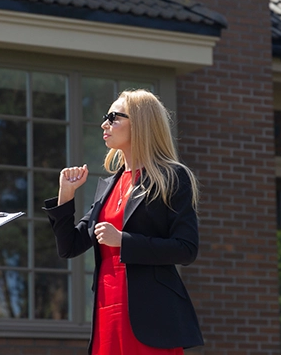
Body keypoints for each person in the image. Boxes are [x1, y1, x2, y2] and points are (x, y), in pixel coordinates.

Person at [43, 89, 203, 354]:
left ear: (140, 123)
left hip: (151, 317)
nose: (104, 124)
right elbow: (69, 246)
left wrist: (123, 241)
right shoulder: (109, 185)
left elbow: (186, 249)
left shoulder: (172, 177)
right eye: (106, 118)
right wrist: (66, 195)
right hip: (106, 310)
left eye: (114, 117)